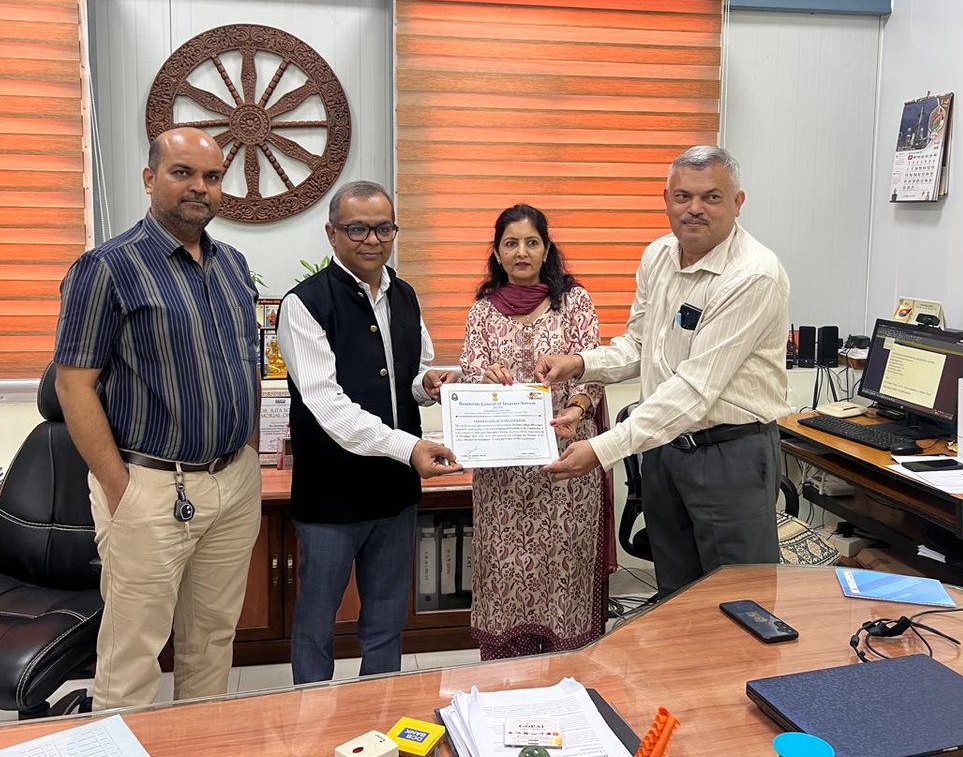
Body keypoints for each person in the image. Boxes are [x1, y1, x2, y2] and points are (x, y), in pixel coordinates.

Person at [53, 127, 263, 710]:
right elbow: (73, 384)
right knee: (132, 655)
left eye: (212, 177)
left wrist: (246, 451)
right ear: (150, 180)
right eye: (182, 173)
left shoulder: (233, 265)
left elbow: (246, 361)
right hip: (148, 484)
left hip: (233, 482)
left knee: (212, 641)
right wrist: (118, 486)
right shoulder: (106, 268)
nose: (199, 187)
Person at [538, 145, 791, 597]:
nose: (695, 209)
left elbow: (694, 389)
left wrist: (602, 449)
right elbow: (640, 345)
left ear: (737, 203)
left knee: (739, 602)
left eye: (712, 197)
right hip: (664, 451)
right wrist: (580, 363)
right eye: (683, 196)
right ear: (666, 200)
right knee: (676, 594)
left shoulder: (753, 275)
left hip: (728, 455)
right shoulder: (658, 256)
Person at [276, 180, 463, 684]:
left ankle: (379, 712)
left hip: (394, 494)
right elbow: (328, 406)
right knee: (316, 624)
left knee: (385, 624)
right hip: (331, 497)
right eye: (357, 228)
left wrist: (429, 384)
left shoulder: (405, 295)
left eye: (383, 228)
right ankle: (312, 710)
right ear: (332, 234)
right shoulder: (304, 304)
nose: (372, 240)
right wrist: (410, 447)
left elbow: (411, 378)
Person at [459, 204, 608, 659]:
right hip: (502, 478)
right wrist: (484, 379)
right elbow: (469, 375)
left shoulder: (574, 302)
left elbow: (593, 368)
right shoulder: (482, 312)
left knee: (565, 571)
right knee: (504, 572)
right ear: (497, 253)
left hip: (566, 466)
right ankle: (507, 678)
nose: (521, 252)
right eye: (511, 243)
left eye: (531, 242)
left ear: (546, 249)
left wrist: (577, 407)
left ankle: (568, 677)